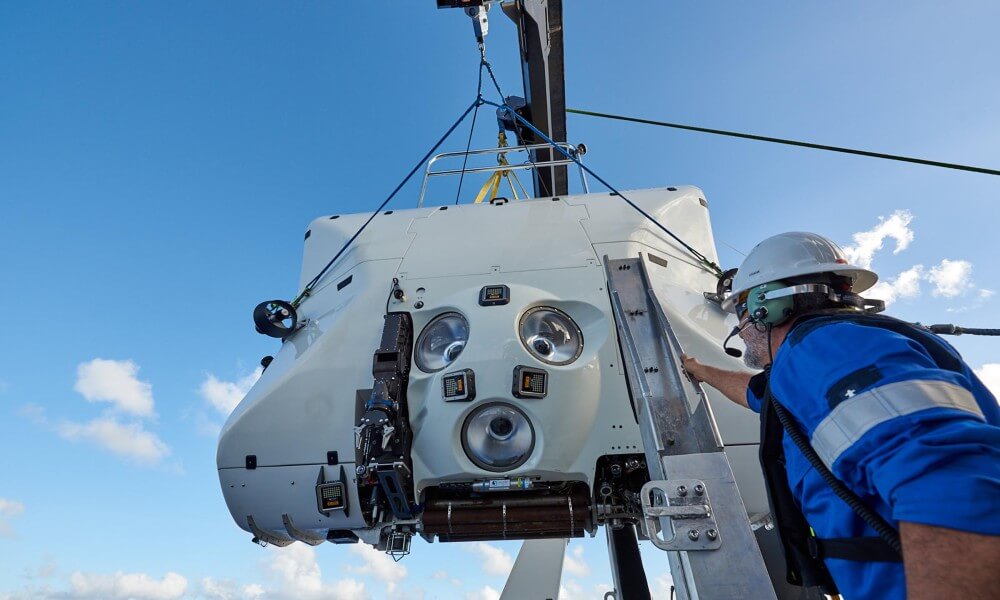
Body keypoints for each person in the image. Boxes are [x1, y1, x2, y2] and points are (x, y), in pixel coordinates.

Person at [681, 231, 1000, 600]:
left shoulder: (828, 350)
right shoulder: (818, 363)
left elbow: (951, 485)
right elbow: (757, 394)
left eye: (740, 313)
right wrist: (700, 370)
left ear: (765, 306)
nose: (739, 330)